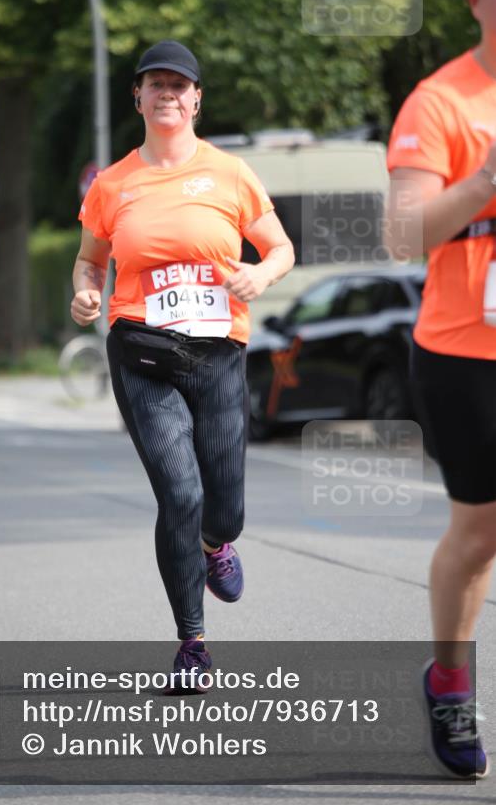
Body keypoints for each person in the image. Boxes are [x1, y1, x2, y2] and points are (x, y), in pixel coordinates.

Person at [71, 40, 294, 688]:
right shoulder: (112, 184)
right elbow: (91, 259)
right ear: (137, 97)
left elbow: (279, 249)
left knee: (222, 510)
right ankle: (191, 644)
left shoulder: (230, 173)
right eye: (154, 84)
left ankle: (215, 545)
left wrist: (259, 275)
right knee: (180, 494)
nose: (167, 93)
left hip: (218, 350)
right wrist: (86, 290)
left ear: (196, 98)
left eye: (179, 84)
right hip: (142, 350)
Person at [387, 0, 496, 779]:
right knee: (480, 531)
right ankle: (450, 682)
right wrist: (487, 179)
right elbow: (401, 233)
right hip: (466, 352)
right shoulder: (440, 101)